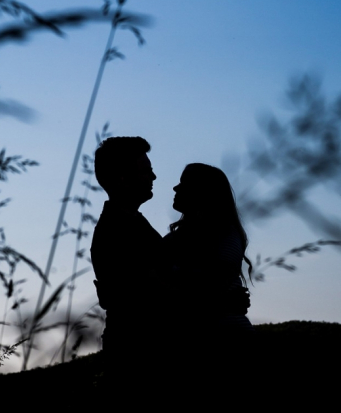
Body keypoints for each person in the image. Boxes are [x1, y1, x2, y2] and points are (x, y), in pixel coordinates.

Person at [90, 136, 163, 369]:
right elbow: (150, 290)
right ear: (122, 178)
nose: (153, 177)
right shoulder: (116, 230)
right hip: (138, 354)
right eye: (145, 171)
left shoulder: (133, 222)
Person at [162, 163, 253, 335]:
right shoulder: (171, 241)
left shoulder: (225, 235)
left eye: (184, 183)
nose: (175, 188)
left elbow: (211, 288)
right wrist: (224, 302)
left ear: (202, 191)